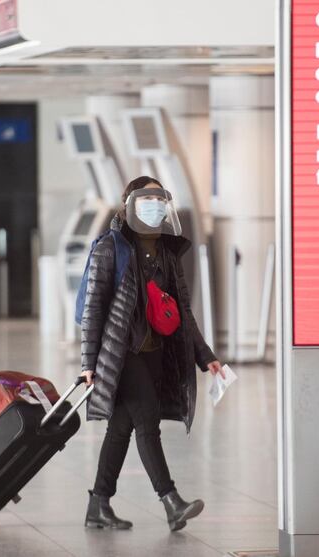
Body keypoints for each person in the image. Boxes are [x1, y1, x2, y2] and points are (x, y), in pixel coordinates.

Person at [79, 176, 224, 532]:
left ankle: (98, 504)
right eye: (148, 200)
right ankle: (171, 501)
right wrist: (88, 362)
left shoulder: (168, 252)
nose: (155, 206)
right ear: (130, 204)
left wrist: (205, 356)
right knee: (147, 424)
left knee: (121, 429)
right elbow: (92, 308)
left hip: (155, 351)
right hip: (122, 353)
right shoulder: (110, 248)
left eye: (161, 200)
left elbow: (184, 311)